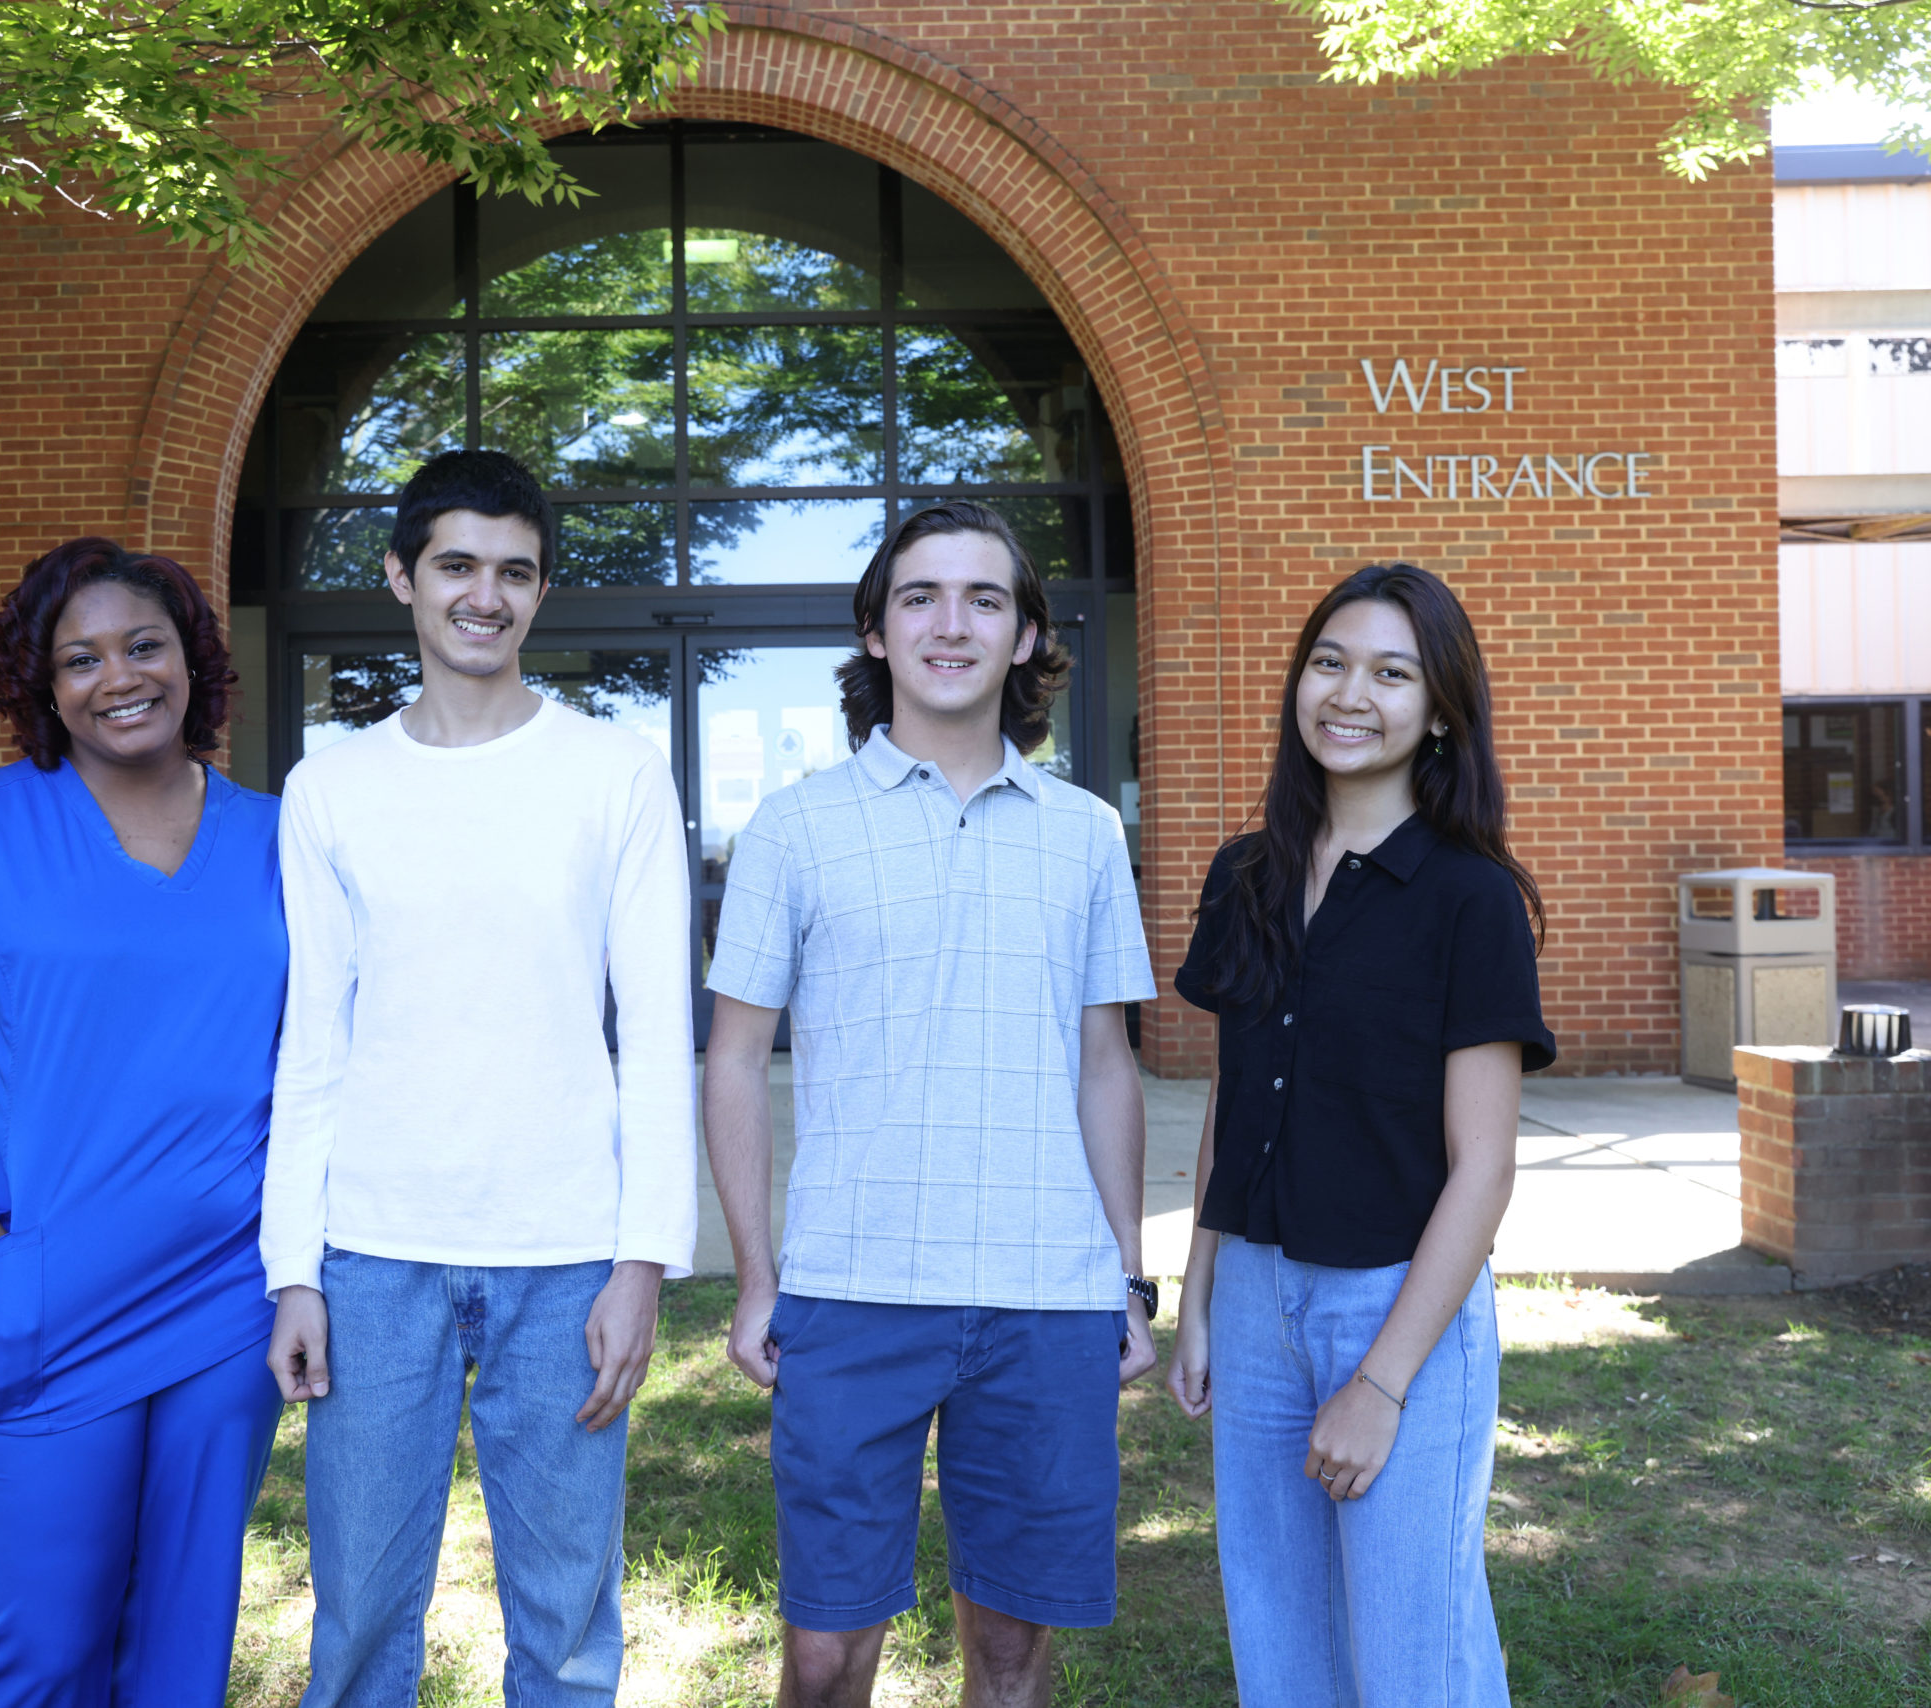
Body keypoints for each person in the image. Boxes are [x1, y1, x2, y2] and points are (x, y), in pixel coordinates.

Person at [702, 499, 1161, 1708]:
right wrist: (758, 1278)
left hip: (1044, 1294)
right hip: (851, 1289)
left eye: (983, 599)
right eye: (920, 596)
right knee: (822, 1653)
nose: (949, 624)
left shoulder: (1086, 833)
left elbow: (1106, 1063)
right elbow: (733, 1058)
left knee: (1011, 1657)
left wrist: (1125, 1273)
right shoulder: (793, 828)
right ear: (873, 630)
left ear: (1022, 638)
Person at [260, 448, 696, 1708]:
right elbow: (313, 1045)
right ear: (401, 576)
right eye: (456, 565)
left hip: (564, 1254)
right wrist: (293, 1267)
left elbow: (656, 1033)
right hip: (372, 1255)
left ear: (541, 591)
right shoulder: (330, 785)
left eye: (514, 572)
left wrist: (641, 1263)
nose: (484, 595)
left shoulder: (612, 770)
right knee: (355, 1617)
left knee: (565, 1628)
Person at [0, 538, 285, 1706]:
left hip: (221, 1307)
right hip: (26, 1303)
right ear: (40, 682)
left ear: (193, 660)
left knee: (182, 1650)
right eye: (78, 658)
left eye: (144, 645)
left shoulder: (286, 841)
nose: (116, 676)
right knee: (43, 1649)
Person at [1164, 561, 1553, 1707]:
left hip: (1398, 1311)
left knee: (1410, 1665)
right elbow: (1233, 1106)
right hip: (1252, 1303)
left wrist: (1379, 1383)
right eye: (1330, 662)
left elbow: (1483, 1170)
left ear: (1438, 709)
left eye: (1392, 672)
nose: (1351, 693)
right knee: (1280, 1652)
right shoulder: (1245, 875)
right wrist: (1198, 1294)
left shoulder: (1468, 896)